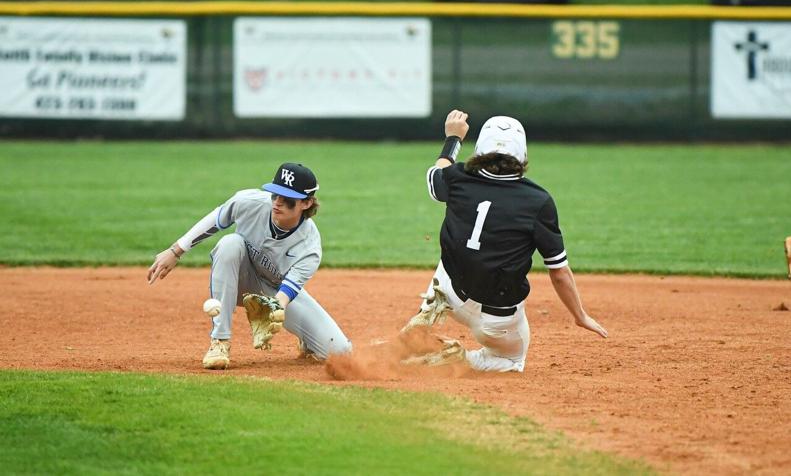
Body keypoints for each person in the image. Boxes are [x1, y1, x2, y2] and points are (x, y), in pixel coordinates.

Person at [402, 109, 608, 372]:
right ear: (522, 155)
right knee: (511, 361)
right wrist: (580, 316)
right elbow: (558, 271)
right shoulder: (538, 200)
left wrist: (453, 139)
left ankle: (429, 310)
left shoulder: (458, 176)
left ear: (479, 150)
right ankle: (457, 357)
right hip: (496, 321)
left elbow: (435, 176)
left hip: (451, 296)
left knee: (456, 248)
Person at [147, 162, 352, 369]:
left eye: (287, 198)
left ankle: (307, 338)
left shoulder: (309, 245)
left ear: (306, 203)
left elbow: (288, 291)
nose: (277, 203)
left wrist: (273, 308)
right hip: (237, 279)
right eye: (275, 194)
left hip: (275, 291)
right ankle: (220, 341)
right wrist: (175, 251)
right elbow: (215, 220)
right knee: (230, 243)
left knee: (341, 353)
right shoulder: (250, 202)